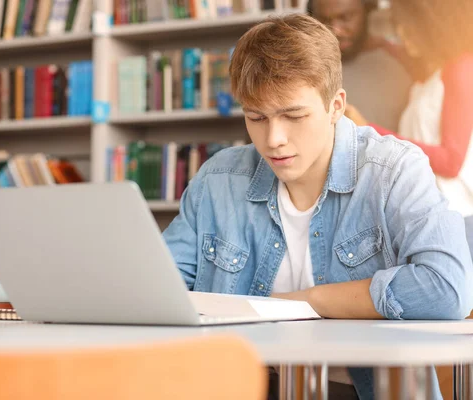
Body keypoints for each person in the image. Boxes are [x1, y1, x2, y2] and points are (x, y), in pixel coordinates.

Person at [162, 14, 473, 400]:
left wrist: (309, 301)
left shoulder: (394, 170)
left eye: (293, 116)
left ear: (335, 105)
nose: (273, 139)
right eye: (256, 117)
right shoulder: (218, 180)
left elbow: (448, 288)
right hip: (246, 384)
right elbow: (158, 291)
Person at [345, 0, 473, 220]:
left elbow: (451, 161)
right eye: (398, 23)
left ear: (433, 25)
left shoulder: (461, 68)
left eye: (409, 25)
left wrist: (369, 128)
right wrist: (382, 45)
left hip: (457, 216)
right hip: (429, 212)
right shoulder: (434, 71)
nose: (401, 32)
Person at [309, 0, 412, 131]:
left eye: (345, 18)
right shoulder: (306, 68)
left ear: (367, 11)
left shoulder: (403, 60)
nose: (336, 31)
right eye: (324, 19)